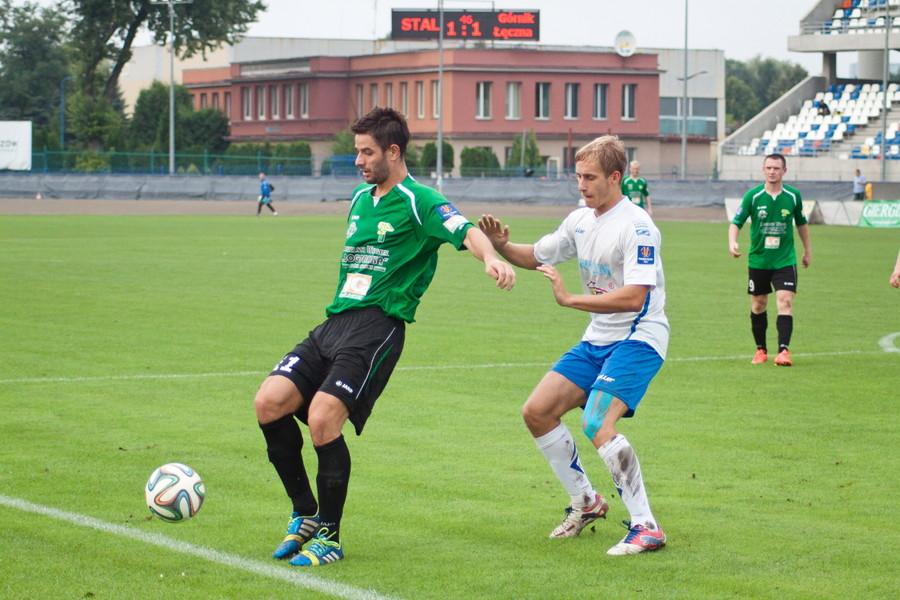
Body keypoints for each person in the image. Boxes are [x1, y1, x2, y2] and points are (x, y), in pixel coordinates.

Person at [253, 107, 515, 568]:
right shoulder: (360, 198)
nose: (358, 160)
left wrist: (491, 258)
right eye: (357, 151)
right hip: (335, 322)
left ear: (393, 152)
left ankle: (330, 536)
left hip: (377, 327)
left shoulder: (420, 200)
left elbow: (465, 230)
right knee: (269, 402)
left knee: (322, 418)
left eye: (366, 152)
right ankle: (305, 513)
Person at [478, 135, 669, 556]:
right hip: (598, 338)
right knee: (537, 411)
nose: (581, 185)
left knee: (597, 421)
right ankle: (586, 501)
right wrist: (501, 245)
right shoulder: (581, 219)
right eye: (578, 176)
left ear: (615, 177)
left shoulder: (637, 226)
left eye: (590, 177)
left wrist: (569, 299)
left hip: (639, 336)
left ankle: (646, 526)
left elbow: (634, 297)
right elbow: (536, 255)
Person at [728, 153, 812, 366]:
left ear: (784, 171)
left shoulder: (793, 196)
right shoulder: (753, 196)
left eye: (776, 168)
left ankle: (783, 351)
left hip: (785, 260)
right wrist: (732, 242)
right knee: (759, 304)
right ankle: (761, 350)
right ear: (763, 170)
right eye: (769, 168)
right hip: (759, 261)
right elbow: (736, 223)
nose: (772, 172)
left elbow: (801, 224)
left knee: (785, 301)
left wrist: (807, 251)